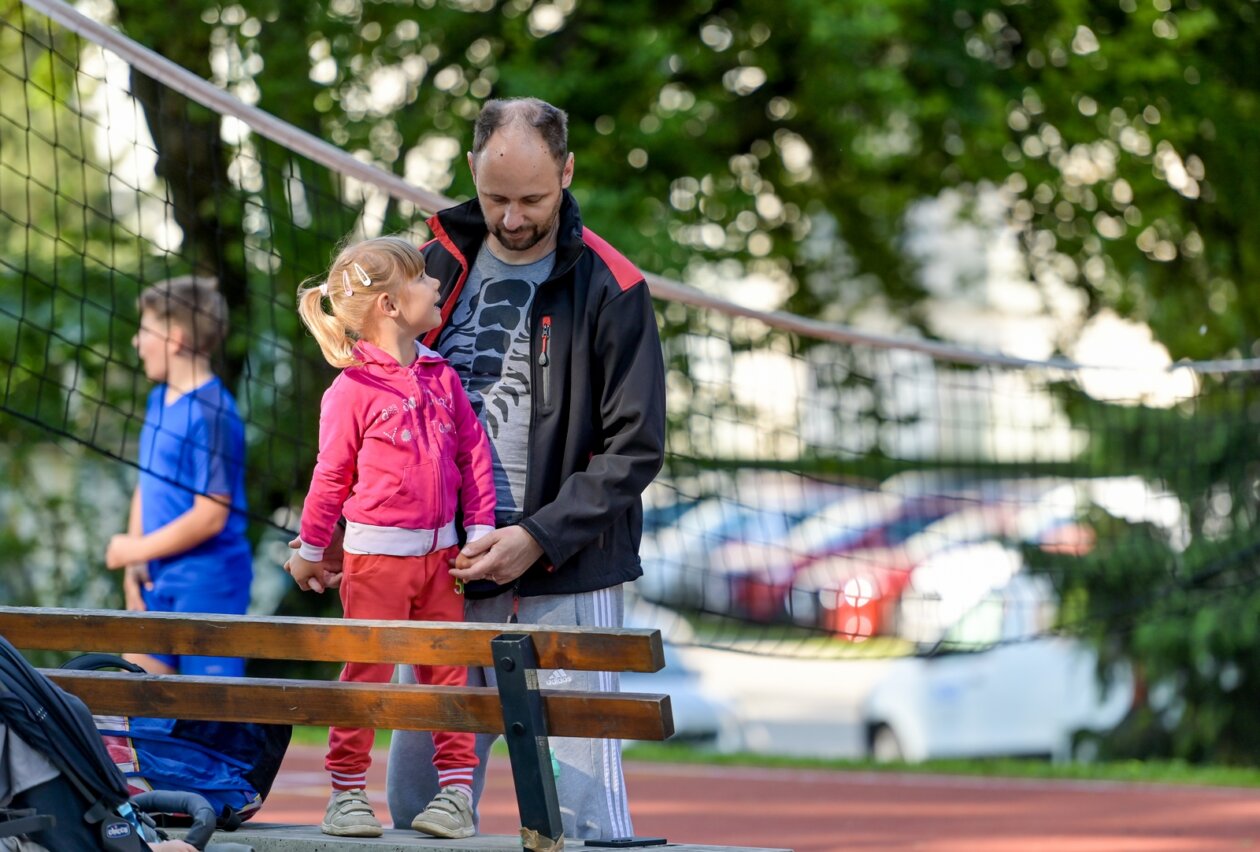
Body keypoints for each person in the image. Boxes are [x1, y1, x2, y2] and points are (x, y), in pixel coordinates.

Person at [384, 96, 668, 839]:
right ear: (472, 169)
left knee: (582, 810)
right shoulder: (429, 264)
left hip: (567, 568)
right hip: (449, 560)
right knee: (418, 800)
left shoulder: (613, 285)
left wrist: (537, 536)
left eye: (534, 199)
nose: (512, 217)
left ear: (568, 171)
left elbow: (636, 447)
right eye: (496, 197)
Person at [285, 236, 497, 839]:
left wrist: (479, 530)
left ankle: (455, 796)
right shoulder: (350, 391)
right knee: (366, 677)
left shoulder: (440, 376)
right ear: (390, 306)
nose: (436, 285)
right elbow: (329, 477)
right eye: (424, 278)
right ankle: (347, 794)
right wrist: (308, 549)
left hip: (444, 561)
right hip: (375, 562)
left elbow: (472, 453)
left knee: (447, 677)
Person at [104, 276, 251, 678]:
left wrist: (134, 551)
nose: (137, 342)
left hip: (207, 581)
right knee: (140, 700)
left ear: (175, 338)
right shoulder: (158, 398)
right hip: (157, 574)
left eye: (145, 330)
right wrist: (139, 553)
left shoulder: (212, 412)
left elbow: (211, 515)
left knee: (205, 715)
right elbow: (146, 480)